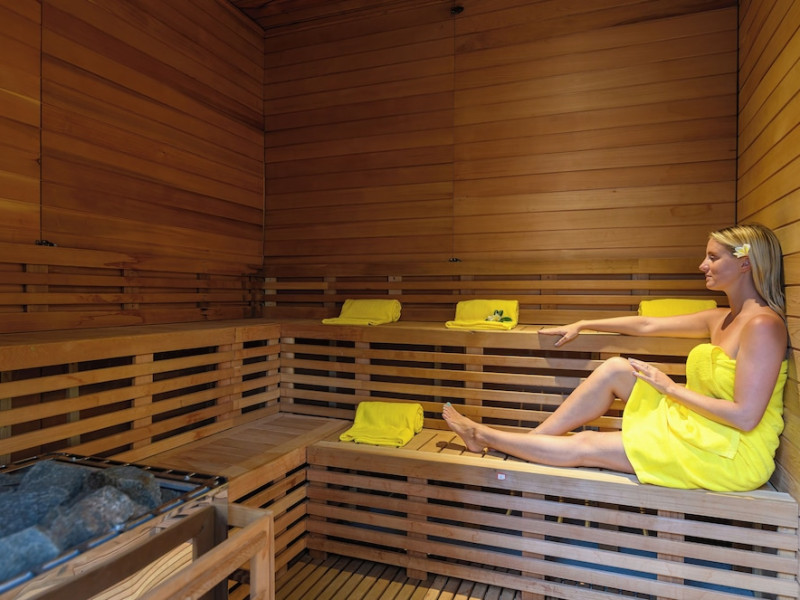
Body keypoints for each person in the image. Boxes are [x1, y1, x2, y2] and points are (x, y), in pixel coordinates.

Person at [442, 223, 788, 491]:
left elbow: (746, 417)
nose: (703, 265)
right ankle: (529, 444)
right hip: (703, 428)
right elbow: (647, 324)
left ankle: (485, 436)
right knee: (617, 368)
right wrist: (584, 323)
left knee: (587, 444)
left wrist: (670, 388)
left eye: (713, 257)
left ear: (745, 263)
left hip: (731, 453)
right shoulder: (721, 317)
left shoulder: (762, 326)